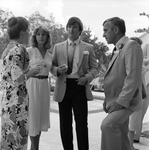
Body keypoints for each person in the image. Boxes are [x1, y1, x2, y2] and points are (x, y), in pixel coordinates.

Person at [52, 16, 98, 150]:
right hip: (63, 87)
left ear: (80, 30)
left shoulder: (88, 47)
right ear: (66, 29)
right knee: (65, 124)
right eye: (69, 27)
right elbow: (52, 66)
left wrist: (88, 77)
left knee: (82, 124)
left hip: (80, 86)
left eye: (74, 27)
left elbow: (95, 68)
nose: (71, 30)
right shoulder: (58, 47)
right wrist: (57, 70)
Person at [101, 17, 143, 150]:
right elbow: (116, 77)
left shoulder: (132, 45)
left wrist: (119, 102)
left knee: (108, 125)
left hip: (127, 101)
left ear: (116, 29)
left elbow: (132, 77)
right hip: (117, 100)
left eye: (106, 30)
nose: (103, 34)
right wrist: (108, 100)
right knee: (122, 135)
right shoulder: (119, 48)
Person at [0, 17, 41, 150]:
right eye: (28, 31)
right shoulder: (20, 49)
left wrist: (30, 70)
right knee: (18, 137)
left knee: (8, 137)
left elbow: (10, 75)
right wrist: (33, 70)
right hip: (17, 101)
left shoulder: (7, 49)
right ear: (22, 32)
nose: (30, 34)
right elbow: (18, 79)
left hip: (6, 100)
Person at [26, 25, 52, 150]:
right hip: (32, 86)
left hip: (44, 87)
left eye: (44, 34)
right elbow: (22, 71)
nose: (41, 37)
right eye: (38, 34)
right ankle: (35, 149)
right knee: (33, 117)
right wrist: (32, 70)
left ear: (47, 37)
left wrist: (60, 69)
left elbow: (53, 70)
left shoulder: (49, 55)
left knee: (40, 119)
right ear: (35, 36)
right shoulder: (28, 51)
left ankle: (34, 147)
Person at [128, 37, 145, 150]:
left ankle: (128, 145)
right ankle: (129, 146)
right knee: (133, 121)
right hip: (134, 93)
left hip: (134, 93)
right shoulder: (134, 58)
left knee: (132, 121)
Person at [133, 42, 149, 143]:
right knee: (140, 111)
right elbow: (140, 60)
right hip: (147, 84)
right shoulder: (147, 46)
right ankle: (136, 135)